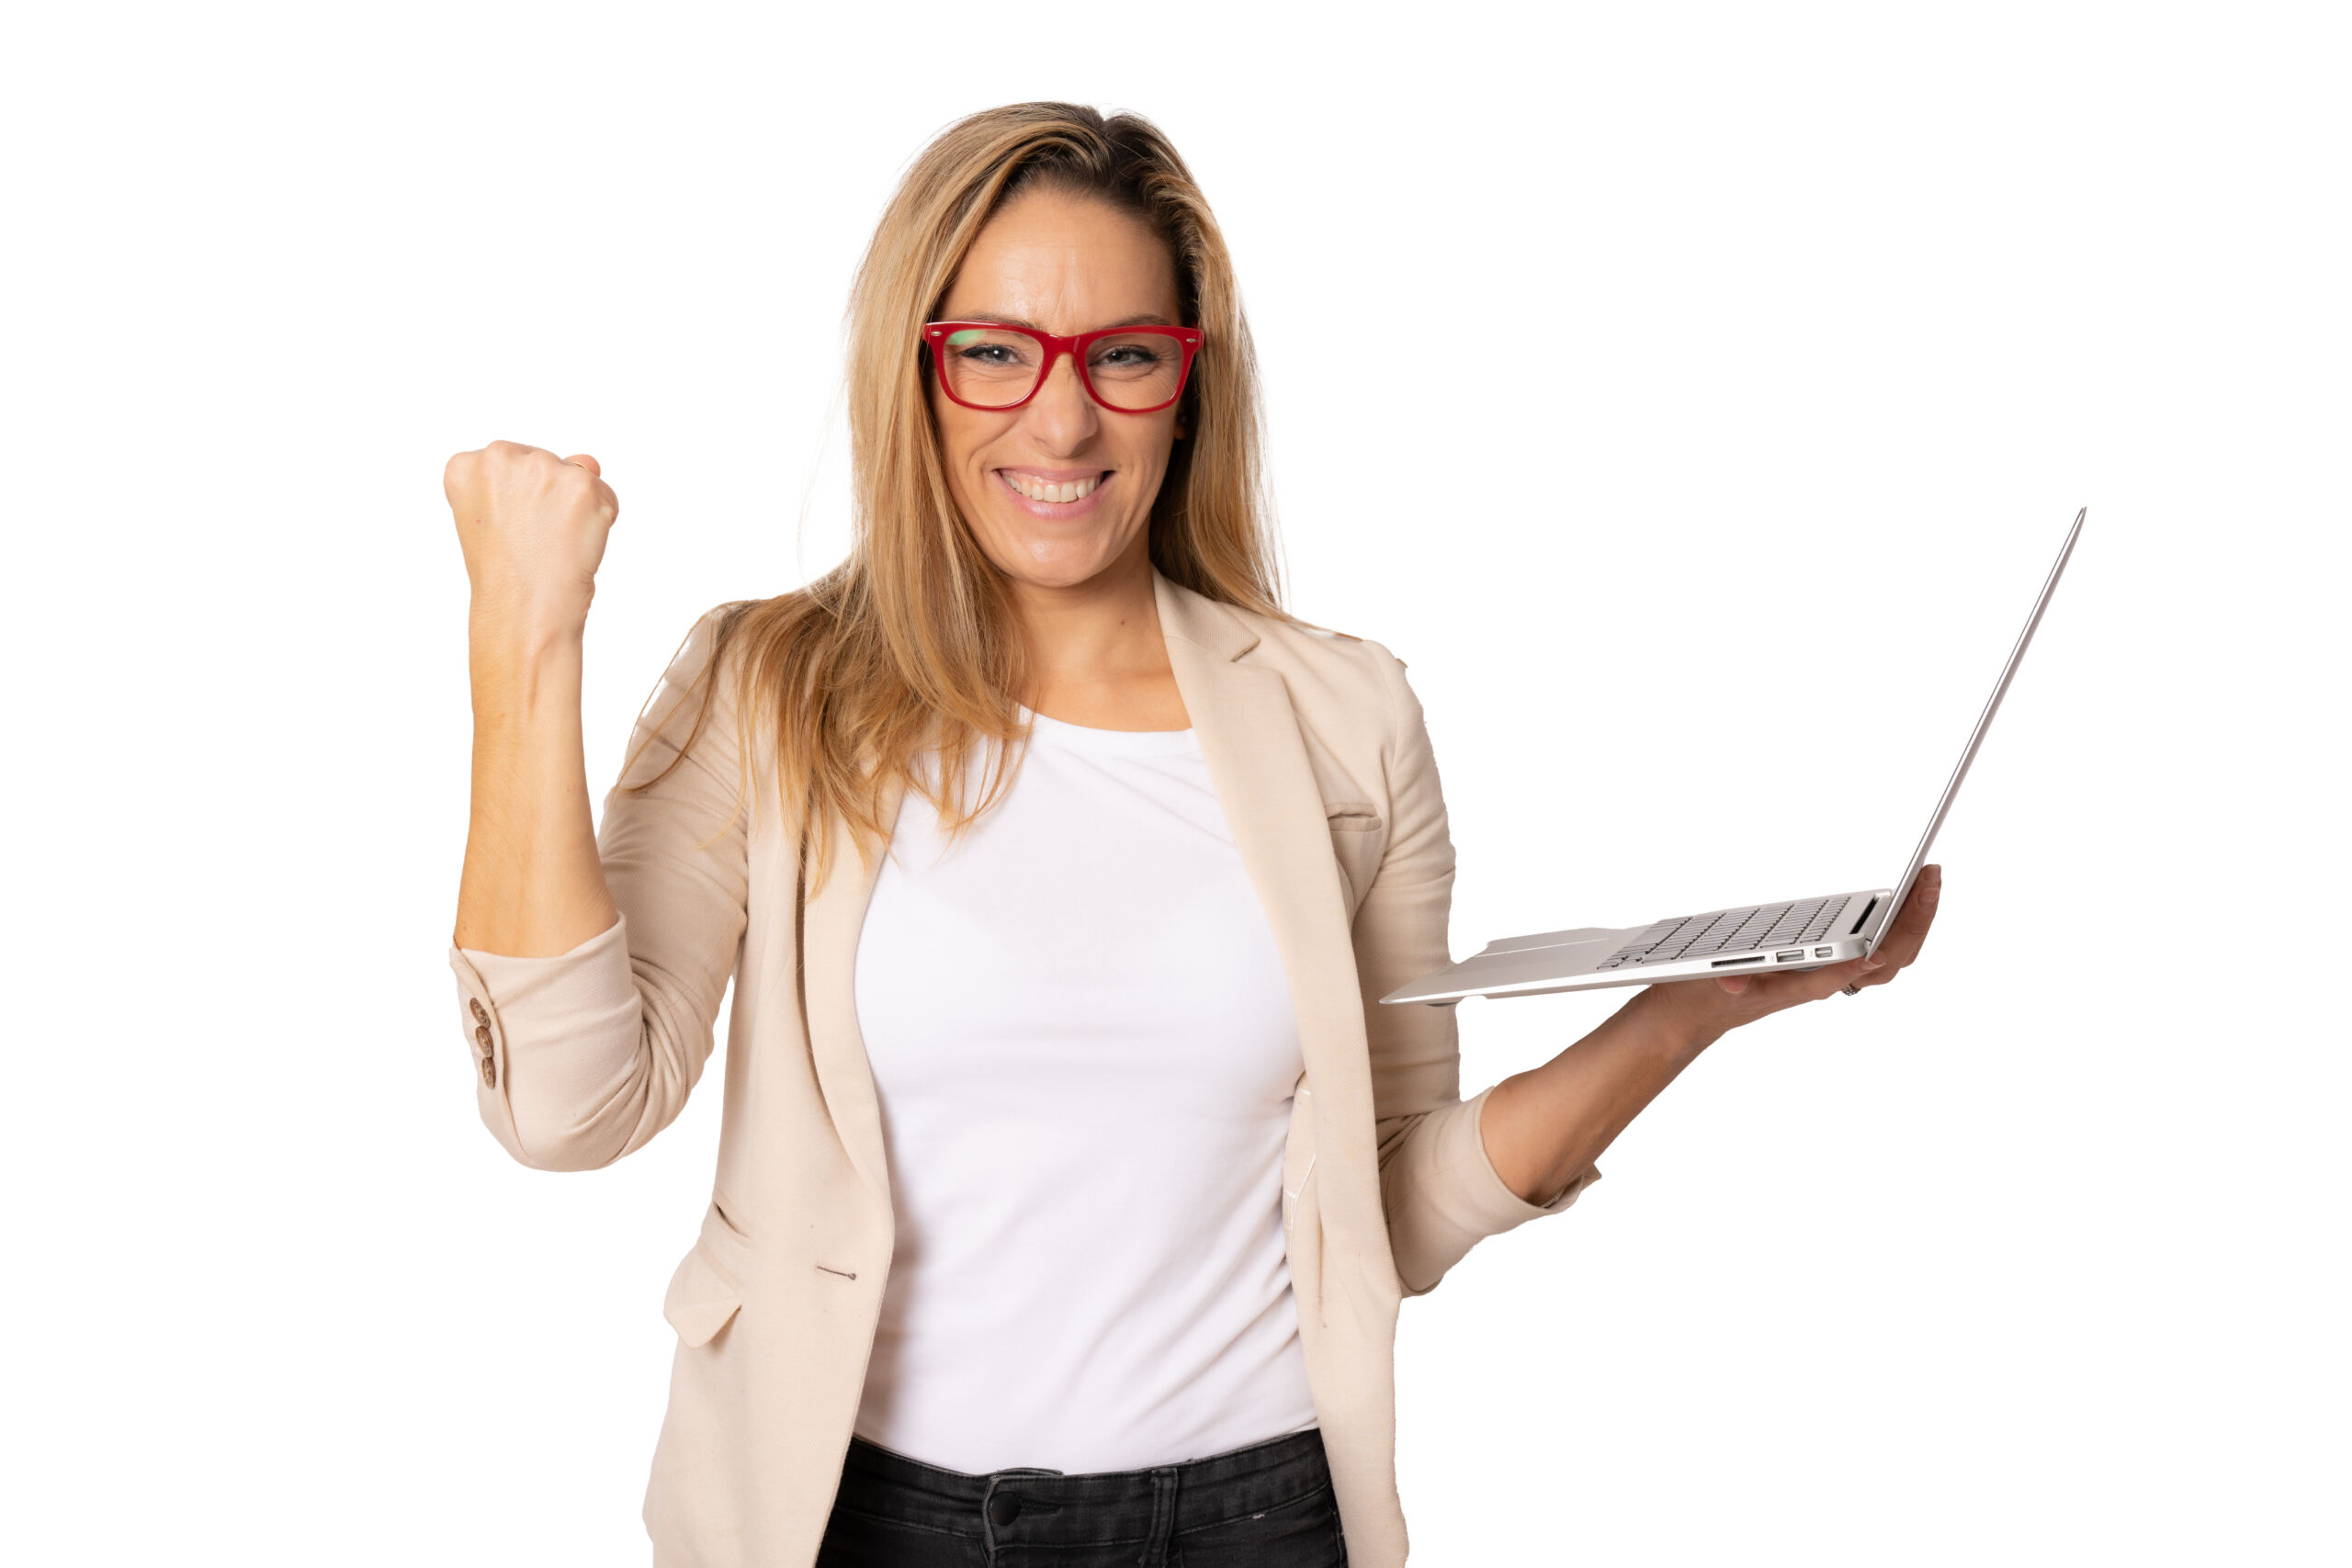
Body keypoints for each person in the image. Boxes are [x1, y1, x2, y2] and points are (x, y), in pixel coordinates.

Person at [442, 101, 1939, 1568]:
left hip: (1256, 1518)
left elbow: (1390, 1206)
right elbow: (568, 1109)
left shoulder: (1343, 720)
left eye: (1128, 356)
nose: (1064, 416)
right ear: (918, 374)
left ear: (1190, 383)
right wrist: (524, 637)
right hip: (851, 1519)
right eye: (994, 353)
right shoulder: (769, 694)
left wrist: (1685, 1015)